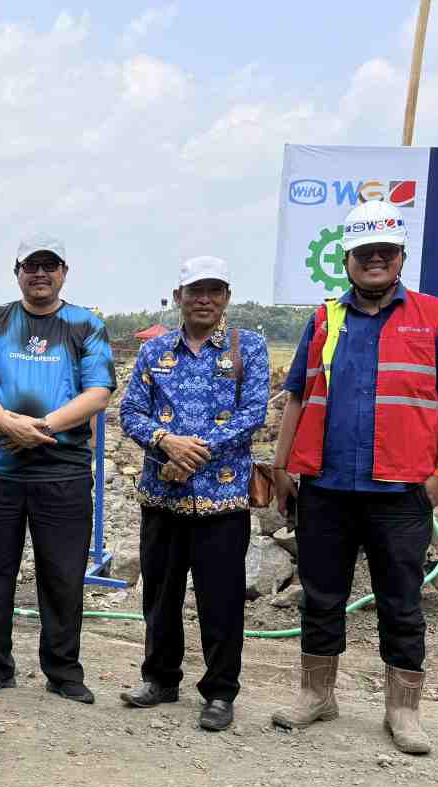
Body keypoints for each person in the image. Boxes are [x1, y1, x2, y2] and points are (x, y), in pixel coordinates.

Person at [271, 200, 438, 755]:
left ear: (401, 256)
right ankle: (317, 695)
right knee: (320, 596)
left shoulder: (434, 315)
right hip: (327, 485)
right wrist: (282, 465)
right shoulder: (324, 319)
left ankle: (403, 710)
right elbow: (299, 395)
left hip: (401, 489)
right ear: (347, 260)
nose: (375, 260)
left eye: (385, 251)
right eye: (365, 253)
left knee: (401, 602)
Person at [0, 235, 114, 703]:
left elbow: (98, 392)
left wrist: (42, 426)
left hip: (62, 474)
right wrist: (5, 422)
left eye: (50, 265)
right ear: (18, 272)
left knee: (63, 577)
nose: (40, 274)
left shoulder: (86, 325)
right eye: (31, 265)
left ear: (64, 271)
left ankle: (63, 671)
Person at [118, 256, 267, 731]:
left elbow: (253, 414)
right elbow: (131, 412)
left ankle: (220, 692)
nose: (204, 299)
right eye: (195, 291)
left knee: (220, 599)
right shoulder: (154, 352)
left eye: (214, 291)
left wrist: (193, 452)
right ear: (178, 296)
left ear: (227, 297)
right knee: (160, 595)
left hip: (222, 499)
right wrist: (166, 443)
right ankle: (160, 679)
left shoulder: (248, 348)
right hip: (163, 496)